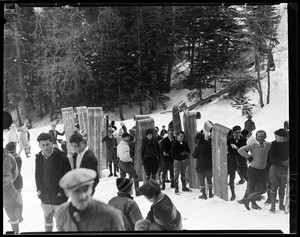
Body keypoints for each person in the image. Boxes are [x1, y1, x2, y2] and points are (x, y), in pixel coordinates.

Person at [56, 168, 125, 231]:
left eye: (85, 190)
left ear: (91, 189)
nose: (83, 196)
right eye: (76, 191)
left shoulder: (111, 216)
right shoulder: (62, 212)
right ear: (67, 192)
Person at [35, 132, 72, 232]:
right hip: (45, 196)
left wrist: (61, 192)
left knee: (61, 224)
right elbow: (37, 175)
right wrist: (39, 190)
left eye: (48, 144)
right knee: (47, 221)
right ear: (39, 145)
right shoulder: (38, 158)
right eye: (43, 145)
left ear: (52, 143)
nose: (45, 147)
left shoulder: (62, 157)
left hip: (59, 197)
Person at [237, 130, 271, 210]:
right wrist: (248, 156)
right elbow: (240, 150)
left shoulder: (268, 145)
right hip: (253, 170)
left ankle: (247, 200)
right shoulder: (252, 145)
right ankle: (253, 203)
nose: (260, 138)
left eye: (262, 136)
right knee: (251, 188)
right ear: (256, 137)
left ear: (265, 137)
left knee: (263, 189)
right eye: (259, 136)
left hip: (262, 171)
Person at [268, 128, 289, 213]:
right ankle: (273, 205)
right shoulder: (274, 145)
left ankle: (281, 204)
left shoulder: (289, 144)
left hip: (285, 170)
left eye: (277, 136)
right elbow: (272, 158)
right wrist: (284, 162)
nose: (276, 137)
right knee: (274, 187)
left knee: (282, 187)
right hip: (275, 169)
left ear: (283, 137)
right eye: (275, 136)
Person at [227, 125, 248, 201]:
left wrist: (236, 148)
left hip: (241, 161)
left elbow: (246, 151)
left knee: (247, 177)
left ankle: (253, 194)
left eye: (239, 132)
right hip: (232, 161)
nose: (238, 134)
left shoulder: (244, 140)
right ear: (233, 133)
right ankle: (233, 194)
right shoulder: (229, 140)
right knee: (231, 178)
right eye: (236, 132)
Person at [6, 142, 24, 223]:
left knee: (14, 201)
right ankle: (20, 216)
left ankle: (16, 218)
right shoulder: (18, 158)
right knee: (19, 199)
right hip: (19, 181)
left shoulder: (9, 159)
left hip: (13, 183)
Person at [3, 148, 20, 234]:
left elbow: (15, 172)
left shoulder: (9, 157)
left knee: (11, 213)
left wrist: (7, 181)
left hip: (7, 189)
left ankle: (15, 233)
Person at [192, 132, 214, 199]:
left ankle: (204, 194)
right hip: (209, 166)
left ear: (198, 139)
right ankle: (210, 193)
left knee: (202, 180)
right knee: (209, 179)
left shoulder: (198, 147)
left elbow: (194, 156)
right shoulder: (209, 144)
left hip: (201, 167)